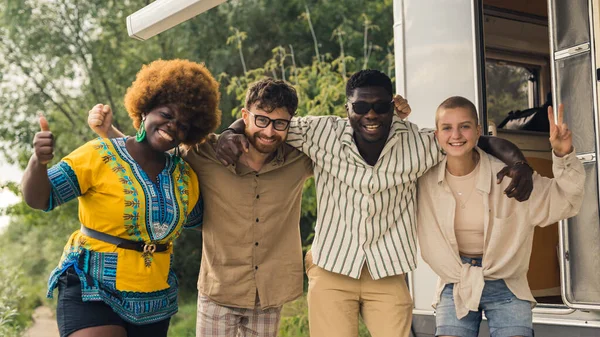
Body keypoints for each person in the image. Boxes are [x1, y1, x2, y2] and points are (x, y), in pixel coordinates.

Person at [216, 69, 535, 337]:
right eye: (361, 107)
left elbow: (479, 140)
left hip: (388, 275)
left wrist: (519, 163)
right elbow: (264, 122)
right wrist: (231, 132)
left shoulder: (418, 143)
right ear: (347, 107)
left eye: (381, 106)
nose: (370, 114)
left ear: (393, 107)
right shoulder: (321, 132)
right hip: (332, 271)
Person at [88, 79, 334, 337]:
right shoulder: (207, 152)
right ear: (245, 116)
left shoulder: (299, 158)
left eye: (279, 123)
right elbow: (150, 159)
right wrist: (108, 131)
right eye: (261, 120)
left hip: (270, 293)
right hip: (219, 289)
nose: (269, 132)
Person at [21, 59, 221, 337]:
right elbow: (41, 198)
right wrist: (38, 161)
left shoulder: (185, 175)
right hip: (92, 286)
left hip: (154, 298)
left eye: (184, 125)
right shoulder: (98, 153)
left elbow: (204, 220)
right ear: (146, 107)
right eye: (166, 114)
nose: (173, 126)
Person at [416, 96, 584, 337]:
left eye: (464, 126)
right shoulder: (425, 180)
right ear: (436, 135)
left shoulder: (510, 176)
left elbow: (566, 200)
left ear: (478, 131)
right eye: (447, 128)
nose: (456, 135)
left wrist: (563, 154)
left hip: (506, 282)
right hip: (455, 281)